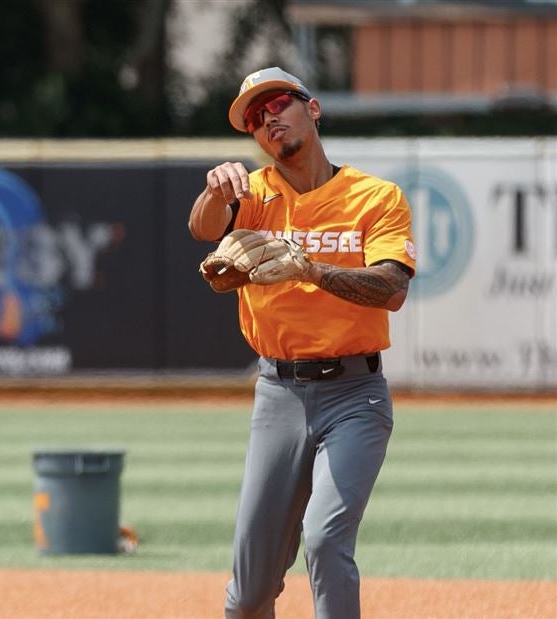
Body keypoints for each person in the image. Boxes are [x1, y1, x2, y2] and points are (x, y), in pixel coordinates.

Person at [187, 67, 417, 618]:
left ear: (312, 109)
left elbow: (391, 289)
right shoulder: (255, 195)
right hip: (279, 396)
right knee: (247, 597)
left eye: (279, 104)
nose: (269, 119)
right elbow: (203, 227)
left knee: (323, 537)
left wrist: (309, 267)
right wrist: (214, 191)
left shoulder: (375, 197)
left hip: (354, 397)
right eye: (255, 118)